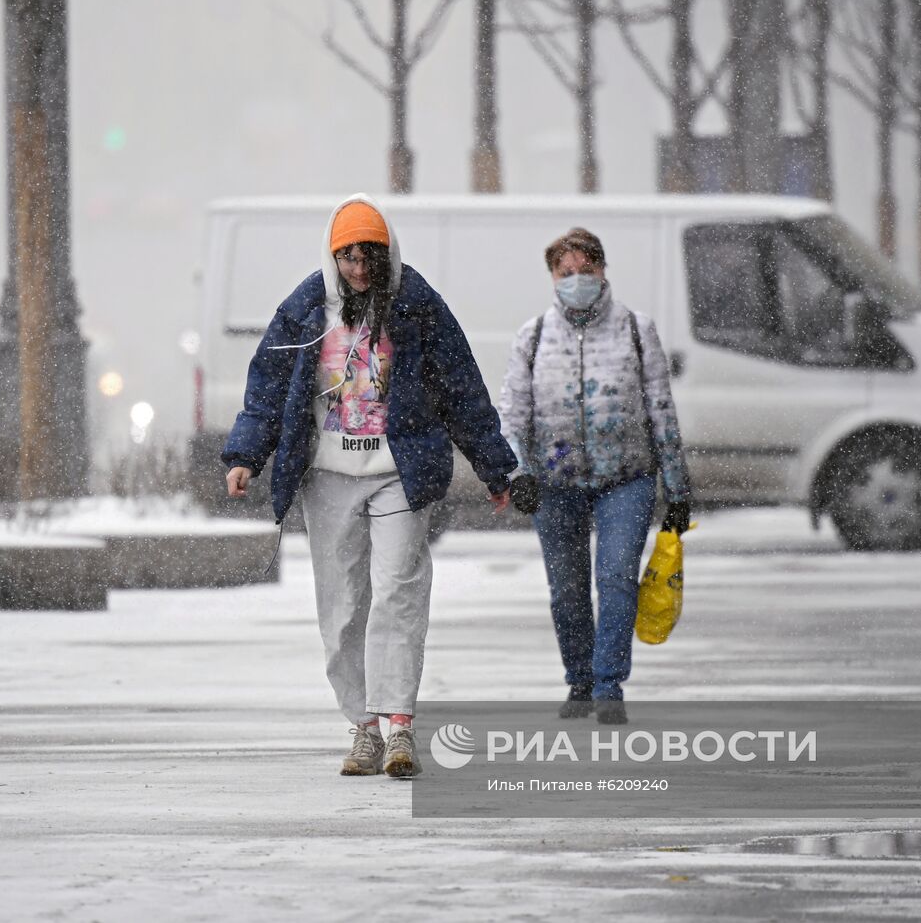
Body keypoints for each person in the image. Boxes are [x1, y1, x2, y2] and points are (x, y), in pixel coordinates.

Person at [223, 194, 517, 777]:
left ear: (388, 254)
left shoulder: (418, 305)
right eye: (348, 257)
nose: (359, 269)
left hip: (399, 474)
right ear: (333, 257)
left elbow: (462, 387)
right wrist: (246, 455)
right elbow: (268, 382)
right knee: (342, 604)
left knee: (398, 591)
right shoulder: (307, 307)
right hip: (328, 478)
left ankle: (399, 724)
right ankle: (362, 727)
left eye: (370, 256)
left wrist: (494, 467)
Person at [499, 227, 691, 725]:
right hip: (554, 482)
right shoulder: (533, 336)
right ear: (552, 278)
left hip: (625, 477)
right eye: (567, 273)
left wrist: (677, 487)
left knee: (616, 579)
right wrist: (515, 471)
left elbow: (661, 409)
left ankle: (609, 684)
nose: (577, 280)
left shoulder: (635, 329)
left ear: (603, 271)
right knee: (566, 589)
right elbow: (514, 413)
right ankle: (578, 681)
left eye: (586, 270)